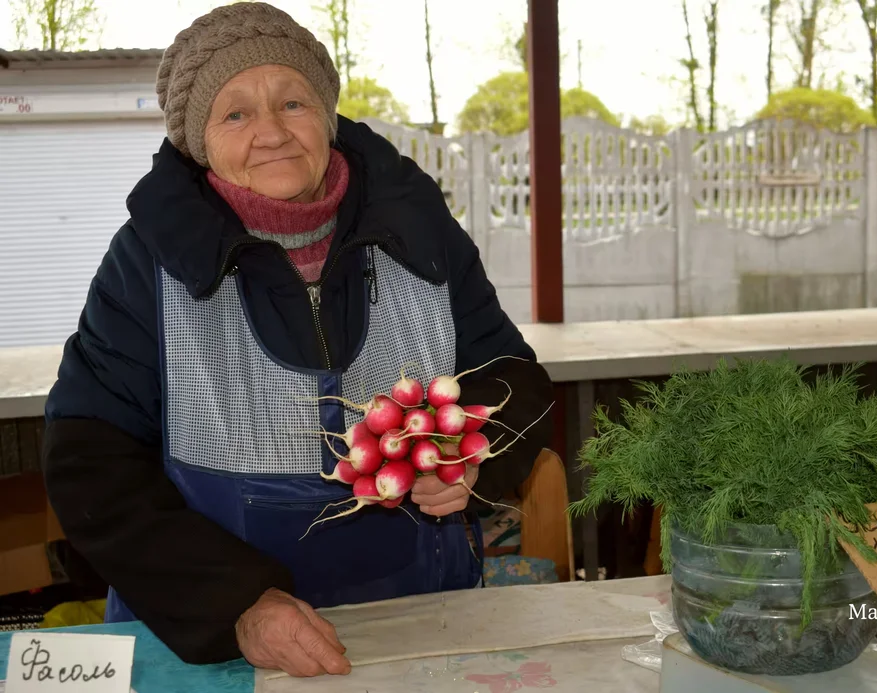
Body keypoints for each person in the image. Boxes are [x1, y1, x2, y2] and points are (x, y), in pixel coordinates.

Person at [41, 1, 553, 678]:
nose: (271, 132)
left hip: (417, 625)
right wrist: (235, 603)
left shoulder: (419, 231)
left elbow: (514, 379)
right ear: (200, 142)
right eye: (235, 113)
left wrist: (468, 451)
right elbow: (90, 466)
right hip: (216, 641)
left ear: (328, 116)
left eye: (292, 102)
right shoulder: (147, 261)